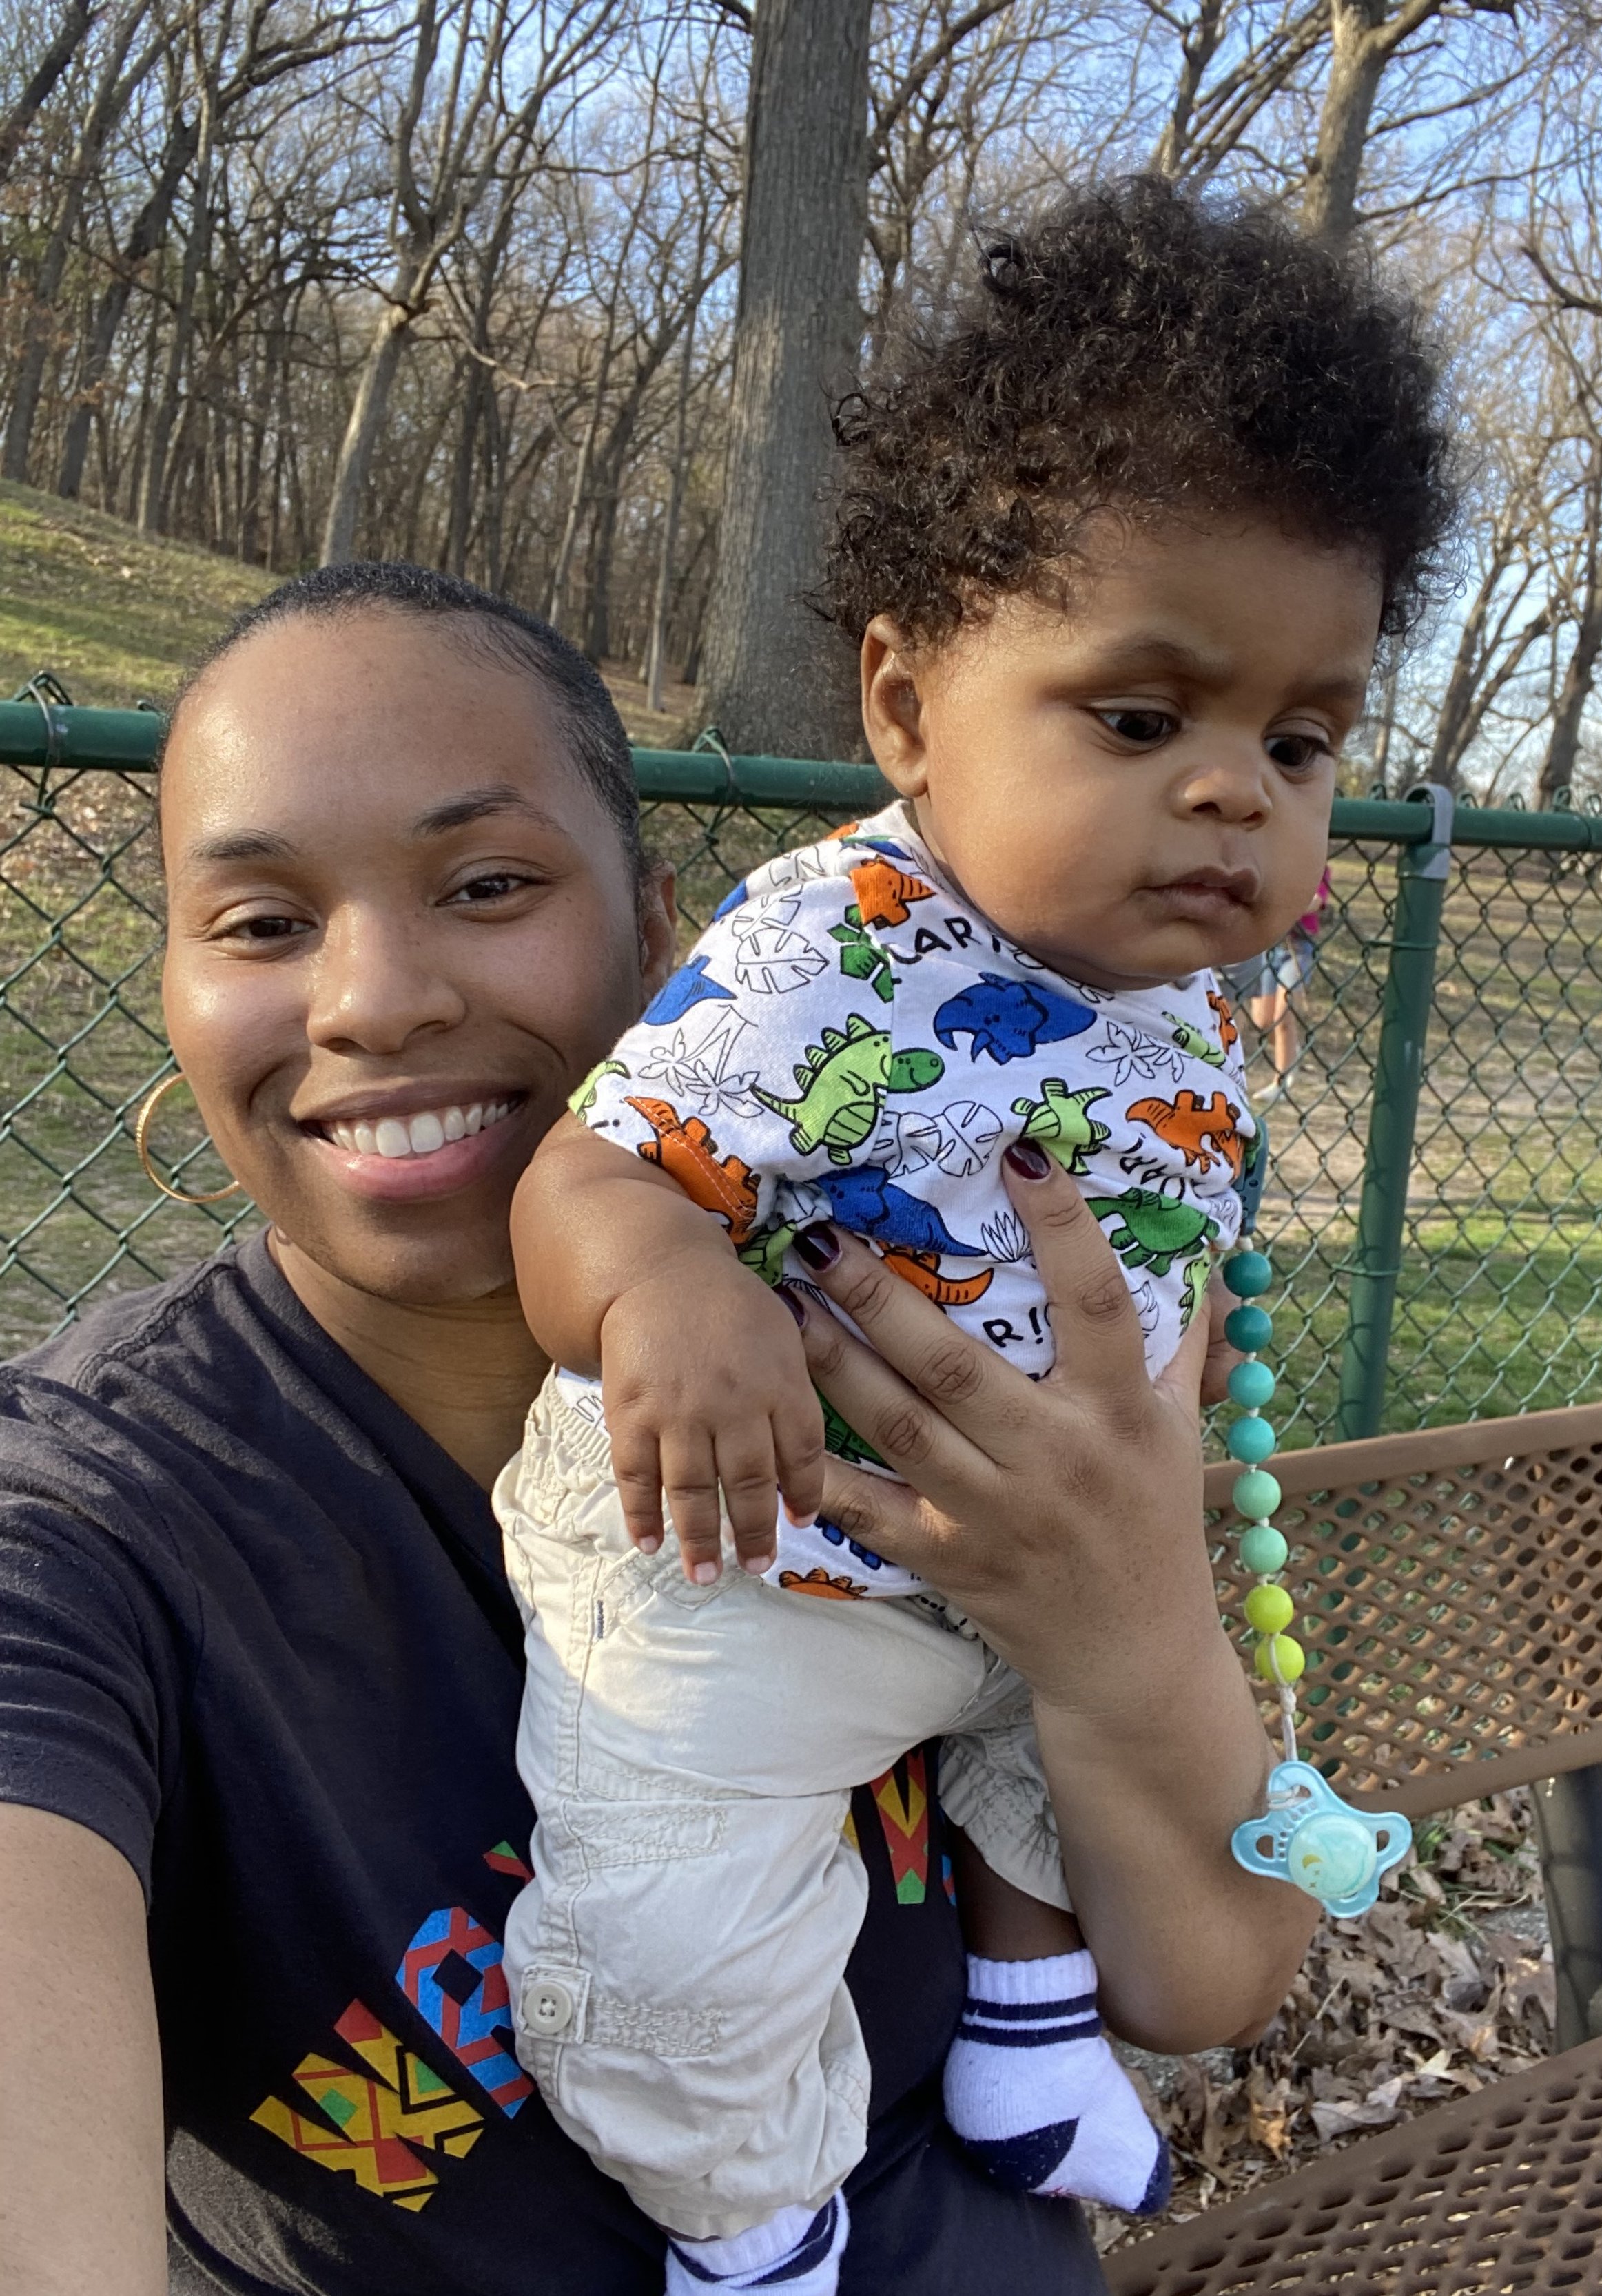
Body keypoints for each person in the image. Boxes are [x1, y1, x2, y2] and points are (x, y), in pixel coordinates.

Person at [0, 562, 1315, 2296]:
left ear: (665, 940)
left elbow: (1212, 1980)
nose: (372, 1000)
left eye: (485, 883)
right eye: (258, 922)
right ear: (170, 983)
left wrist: (1117, 1608)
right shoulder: (92, 1532)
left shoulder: (931, 1352)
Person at [505, 177, 1455, 2294]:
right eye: (1139, 718)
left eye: (1296, 739)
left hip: (1030, 1573)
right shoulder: (825, 946)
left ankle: (1029, 2017)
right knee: (662, 1921)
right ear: (904, 703)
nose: (1234, 794)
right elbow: (583, 1176)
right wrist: (664, 1277)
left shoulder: (1188, 991)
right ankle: (750, 2223)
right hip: (742, 1562)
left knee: (1087, 1729)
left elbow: (1164, 1251)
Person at [1226, 868, 1332, 1084]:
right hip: (1273, 946)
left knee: (1283, 1015)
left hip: (1299, 948)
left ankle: (1282, 1080)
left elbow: (1317, 901)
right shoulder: (1281, 863)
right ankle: (1291, 1047)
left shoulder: (1317, 868)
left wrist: (1283, 906)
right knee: (1263, 1020)